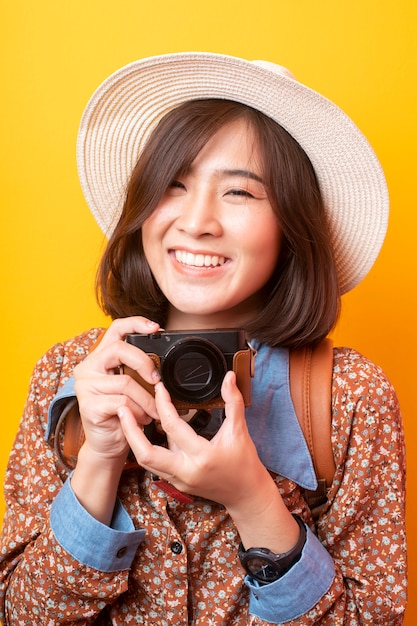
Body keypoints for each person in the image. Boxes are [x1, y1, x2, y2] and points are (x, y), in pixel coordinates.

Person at [0, 52, 407, 625]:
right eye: (173, 185)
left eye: (239, 193)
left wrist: (253, 499)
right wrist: (97, 460)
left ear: (291, 227)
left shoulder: (348, 398)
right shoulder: (73, 373)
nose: (196, 221)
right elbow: (19, 614)